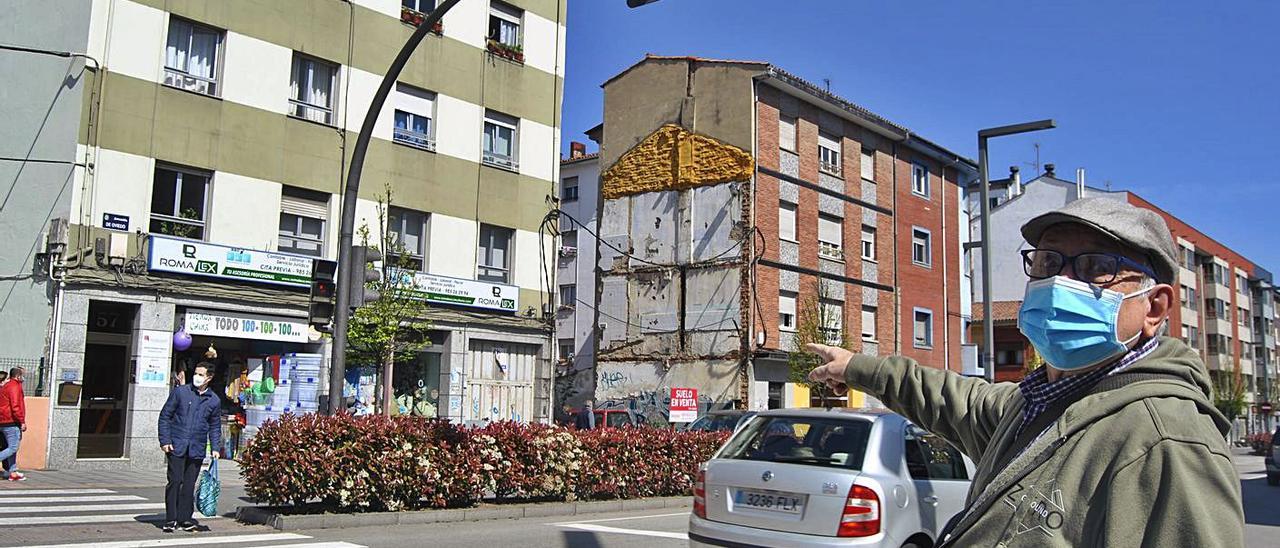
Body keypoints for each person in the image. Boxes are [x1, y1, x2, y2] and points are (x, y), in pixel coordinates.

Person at [807, 198, 1244, 547]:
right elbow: (948, 396)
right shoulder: (1036, 405)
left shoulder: (1167, 440)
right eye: (1048, 263)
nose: (1061, 282)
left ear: (1154, 307)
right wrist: (856, 367)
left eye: (1096, 268)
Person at [158, 362, 222, 533]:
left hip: (196, 448)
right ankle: (171, 518)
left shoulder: (214, 400)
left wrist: (215, 447)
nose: (197, 377)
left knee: (188, 485)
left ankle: (185, 518)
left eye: (201, 374)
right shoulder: (181, 392)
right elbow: (165, 416)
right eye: (196, 373)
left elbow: (215, 426)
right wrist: (165, 440)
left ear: (209, 377)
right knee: (175, 482)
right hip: (176, 445)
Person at [0, 367, 26, 482]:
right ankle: (12, 471)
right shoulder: (15, 386)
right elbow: (15, 406)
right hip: (11, 421)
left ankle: (13, 472)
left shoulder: (6, 386)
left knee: (11, 447)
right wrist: (22, 421)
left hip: (4, 421)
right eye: (22, 375)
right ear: (18, 376)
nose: (23, 378)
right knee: (13, 447)